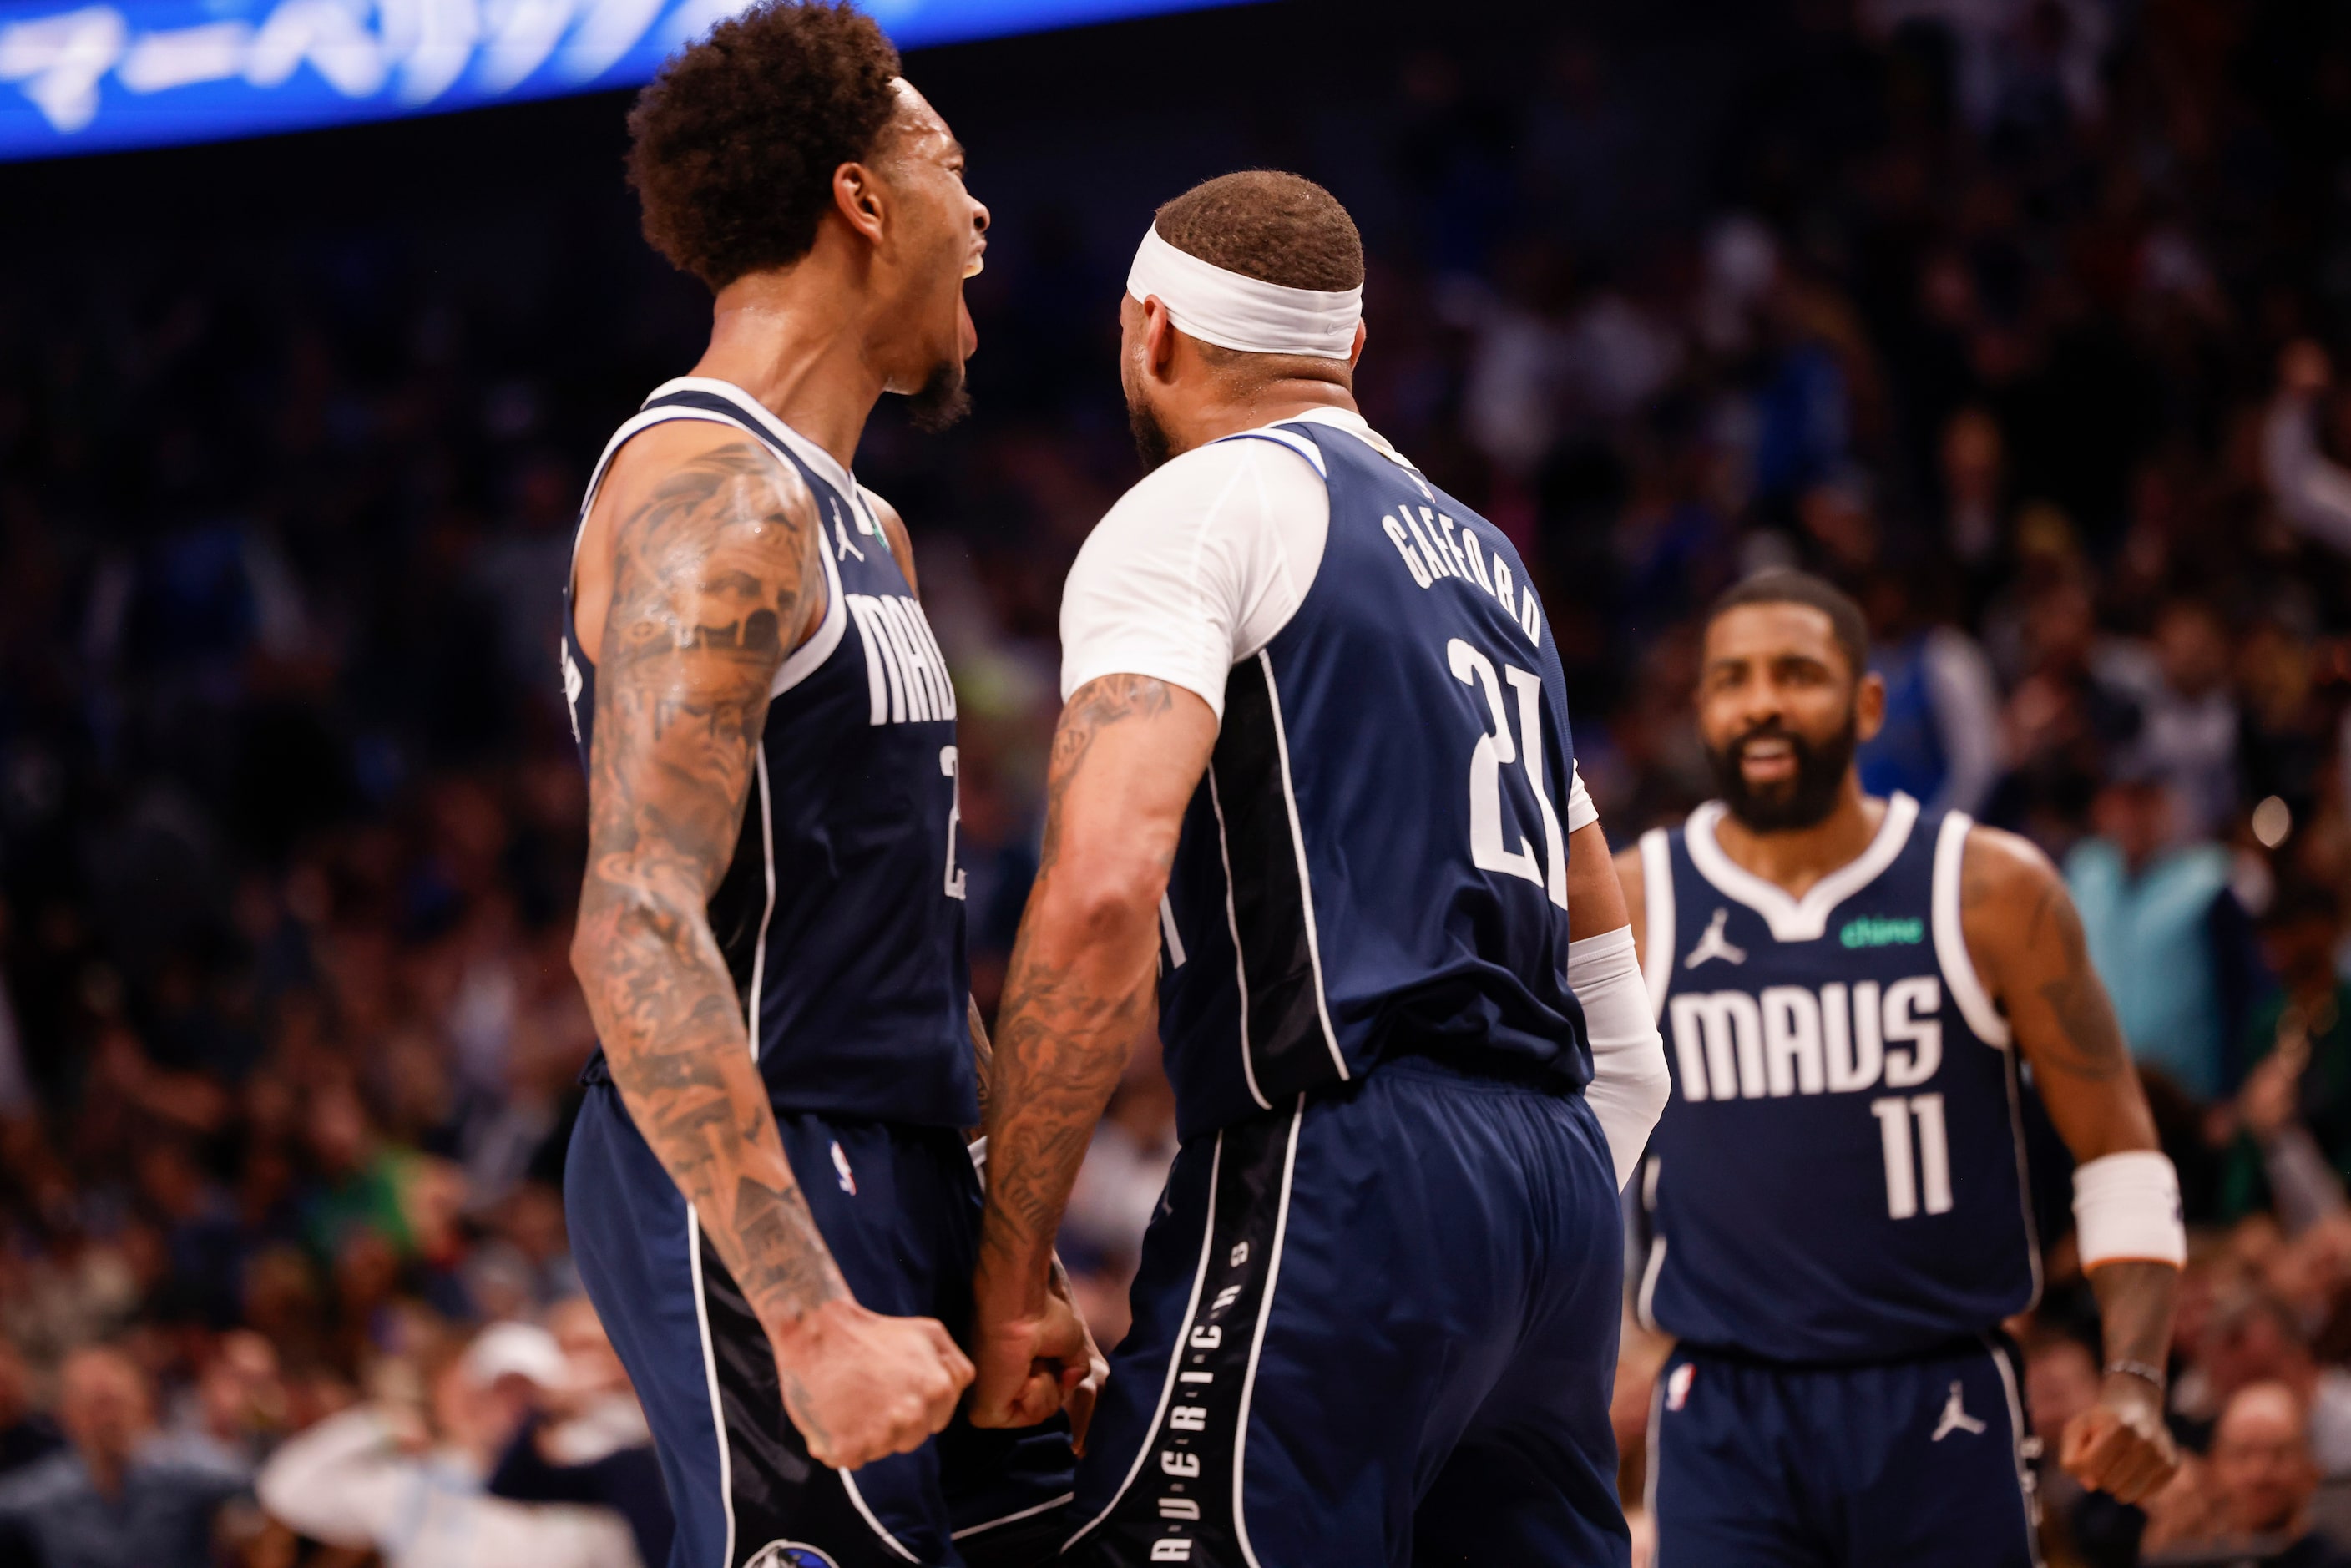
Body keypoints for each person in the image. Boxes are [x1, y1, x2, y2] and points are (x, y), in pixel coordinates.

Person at [968, 171, 1671, 1565]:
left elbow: (1104, 888)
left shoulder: (1192, 509)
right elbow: (1602, 943)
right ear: (1346, 352)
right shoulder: (1488, 561)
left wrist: (1005, 1274)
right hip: (1551, 1194)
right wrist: (1570, 1209)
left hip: (1351, 1163)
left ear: (1150, 333)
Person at [558, 4, 1074, 1565]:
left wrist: (1010, 1259)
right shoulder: (710, 493)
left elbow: (922, 948)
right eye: (952, 168)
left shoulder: (868, 528)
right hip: (762, 1159)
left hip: (902, 1147)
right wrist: (807, 1312)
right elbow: (634, 923)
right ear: (860, 199)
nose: (980, 214)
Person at [1624, 569, 2183, 1565]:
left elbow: (2118, 1152)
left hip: (1938, 1394)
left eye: (1796, 674)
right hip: (1722, 1408)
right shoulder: (1635, 900)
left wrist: (2134, 1377)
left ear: (1867, 704)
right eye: (1731, 679)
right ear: (1700, 707)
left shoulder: (1989, 890)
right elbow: (1556, 1138)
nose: (1760, 701)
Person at [0, 1345, 248, 1568]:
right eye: (95, 1405)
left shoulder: (182, 1467)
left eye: (115, 1402)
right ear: (66, 1414)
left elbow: (249, 1482)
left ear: (143, 1402)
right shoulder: (48, 1490)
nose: (108, 1419)